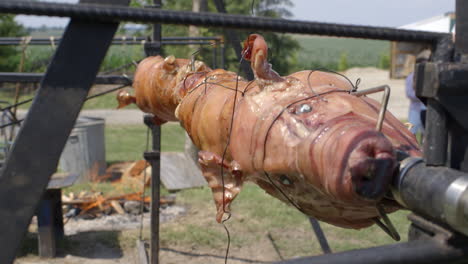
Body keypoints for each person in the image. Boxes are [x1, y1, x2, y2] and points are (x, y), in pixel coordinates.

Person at [405, 49, 431, 135]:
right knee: (411, 132)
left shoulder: (430, 77)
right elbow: (409, 93)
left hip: (427, 109)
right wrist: (424, 95)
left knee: (427, 133)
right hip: (415, 110)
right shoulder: (411, 77)